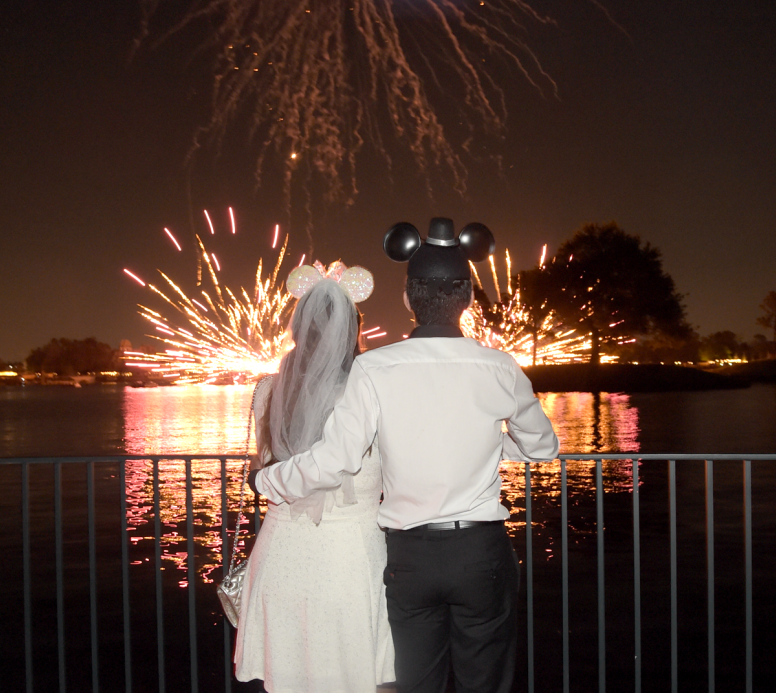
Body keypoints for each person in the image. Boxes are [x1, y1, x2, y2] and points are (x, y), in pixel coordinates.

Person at [252, 218, 560, 693]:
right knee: (487, 679)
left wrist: (267, 482)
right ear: (469, 298)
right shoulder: (500, 367)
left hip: (409, 554)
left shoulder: (374, 369)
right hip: (481, 551)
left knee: (417, 682)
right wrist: (491, 444)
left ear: (406, 297)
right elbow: (543, 448)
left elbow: (337, 459)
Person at [234, 264, 396, 692]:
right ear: (352, 331)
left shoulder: (267, 390)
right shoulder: (371, 390)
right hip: (351, 557)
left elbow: (265, 467)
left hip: (281, 552)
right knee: (362, 675)